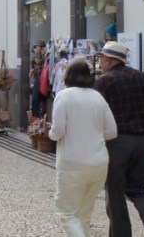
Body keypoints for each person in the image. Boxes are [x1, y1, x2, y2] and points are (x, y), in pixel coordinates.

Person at [94, 41, 144, 237]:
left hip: (117, 143)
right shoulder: (142, 78)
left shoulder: (104, 81)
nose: (99, 61)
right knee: (138, 189)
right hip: (143, 141)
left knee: (115, 192)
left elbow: (97, 116)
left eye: (101, 57)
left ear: (109, 60)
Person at [49, 60, 117, 237]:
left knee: (68, 212)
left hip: (72, 164)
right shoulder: (98, 97)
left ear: (67, 75)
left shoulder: (64, 96)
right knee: (84, 213)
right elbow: (112, 131)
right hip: (99, 163)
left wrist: (50, 134)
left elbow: (58, 131)